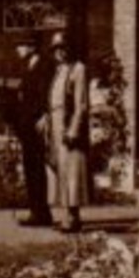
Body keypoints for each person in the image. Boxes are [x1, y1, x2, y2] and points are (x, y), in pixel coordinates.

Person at [47, 30, 90, 233]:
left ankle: (73, 217)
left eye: (63, 48)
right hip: (55, 123)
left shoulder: (78, 68)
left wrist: (74, 130)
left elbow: (81, 103)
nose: (60, 52)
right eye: (56, 48)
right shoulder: (58, 71)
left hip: (68, 123)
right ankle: (66, 214)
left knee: (72, 170)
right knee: (61, 170)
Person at [12, 32, 53, 226]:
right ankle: (36, 210)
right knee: (30, 167)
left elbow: (47, 93)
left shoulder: (45, 66)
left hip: (38, 123)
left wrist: (46, 114)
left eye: (21, 45)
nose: (17, 49)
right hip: (27, 124)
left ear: (31, 47)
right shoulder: (27, 66)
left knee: (36, 167)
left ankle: (41, 212)